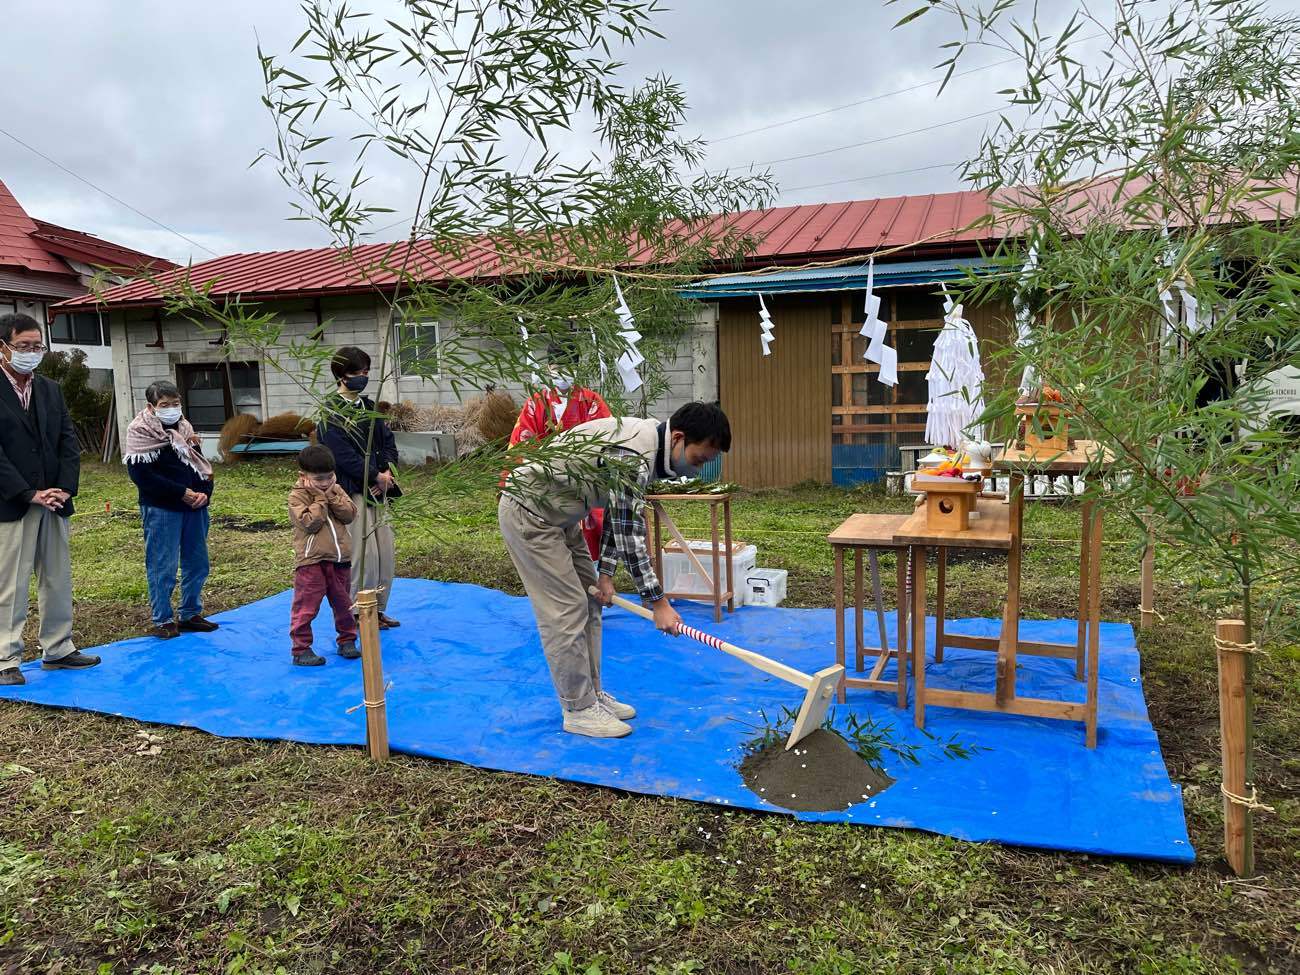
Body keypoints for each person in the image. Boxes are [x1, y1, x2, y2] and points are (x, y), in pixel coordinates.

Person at [499, 402, 731, 738]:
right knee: (566, 610)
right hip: (530, 514)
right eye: (698, 460)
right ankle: (577, 710)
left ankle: (591, 695)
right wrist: (659, 604)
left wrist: (605, 575)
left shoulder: (650, 447)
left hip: (561, 517)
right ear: (679, 438)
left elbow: (616, 512)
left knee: (591, 600)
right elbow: (629, 533)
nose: (694, 472)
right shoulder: (634, 454)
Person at [0, 313, 100, 685]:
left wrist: (64, 488)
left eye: (37, 346)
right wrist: (29, 492)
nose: (31, 353)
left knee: (57, 577)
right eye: (23, 346)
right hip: (13, 502)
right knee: (11, 582)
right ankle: (6, 657)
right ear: (3, 347)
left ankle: (58, 648)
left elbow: (67, 442)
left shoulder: (49, 388)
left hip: (54, 500)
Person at [124, 380, 218, 639]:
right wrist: (182, 493)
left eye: (175, 404)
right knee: (162, 565)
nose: (171, 409)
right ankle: (163, 618)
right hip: (162, 508)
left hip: (195, 508)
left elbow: (200, 466)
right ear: (151, 407)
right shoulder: (140, 432)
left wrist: (204, 494)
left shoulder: (185, 428)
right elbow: (142, 476)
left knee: (197, 562)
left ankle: (190, 613)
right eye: (164, 405)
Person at [317, 346, 403, 629]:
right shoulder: (331, 412)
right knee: (364, 555)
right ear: (342, 375)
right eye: (357, 373)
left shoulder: (368, 407)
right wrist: (372, 476)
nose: (363, 377)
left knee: (385, 553)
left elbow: (388, 442)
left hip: (381, 490)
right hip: (354, 490)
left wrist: (387, 471)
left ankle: (378, 609)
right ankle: (357, 612)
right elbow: (341, 456)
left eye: (366, 372)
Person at [507, 352, 612, 560]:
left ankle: (593, 571)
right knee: (540, 522)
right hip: (545, 479)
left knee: (597, 519)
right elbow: (522, 443)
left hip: (584, 479)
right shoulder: (535, 403)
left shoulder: (591, 401)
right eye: (557, 370)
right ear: (548, 370)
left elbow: (607, 438)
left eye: (569, 370)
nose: (563, 375)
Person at [288, 444, 360, 666]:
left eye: (330, 477)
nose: (326, 482)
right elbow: (310, 523)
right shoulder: (297, 496)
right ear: (304, 476)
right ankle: (301, 649)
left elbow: (350, 515)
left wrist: (332, 496)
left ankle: (347, 640)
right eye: (319, 479)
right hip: (312, 561)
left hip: (340, 560)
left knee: (344, 604)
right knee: (306, 605)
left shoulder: (336, 490)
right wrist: (320, 500)